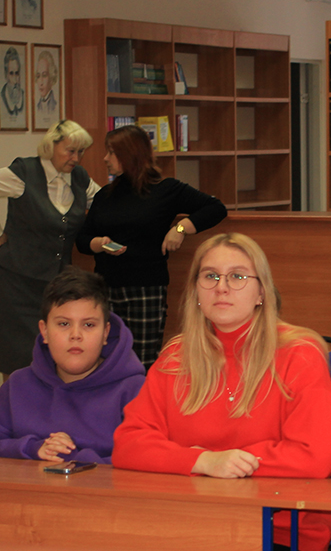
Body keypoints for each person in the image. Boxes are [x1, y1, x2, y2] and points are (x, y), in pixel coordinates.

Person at [113, 233, 331, 551]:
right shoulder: (175, 357)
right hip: (191, 525)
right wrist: (203, 461)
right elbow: (128, 444)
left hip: (279, 531)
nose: (221, 287)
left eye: (237, 276)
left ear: (261, 292)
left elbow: (314, 457)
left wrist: (229, 463)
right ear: (196, 291)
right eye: (210, 276)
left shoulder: (300, 354)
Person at [76, 125, 227, 369]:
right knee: (105, 360)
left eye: (111, 152)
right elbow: (83, 239)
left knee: (142, 360)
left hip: (145, 289)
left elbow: (215, 208)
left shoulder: (165, 190)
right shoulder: (105, 195)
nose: (105, 158)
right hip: (105, 287)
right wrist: (98, 244)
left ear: (130, 154)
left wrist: (181, 228)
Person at [0, 268, 145, 463]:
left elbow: (143, 458)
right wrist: (32, 448)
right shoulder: (16, 385)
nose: (76, 335)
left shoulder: (135, 391)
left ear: (105, 333)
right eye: (64, 324)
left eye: (88, 325)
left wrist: (75, 459)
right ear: (44, 331)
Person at [0, 120, 102, 375]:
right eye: (70, 151)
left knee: (52, 356)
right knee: (17, 357)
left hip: (55, 286)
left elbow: (105, 202)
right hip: (17, 282)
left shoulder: (79, 178)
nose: (76, 158)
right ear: (51, 146)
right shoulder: (23, 172)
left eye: (81, 152)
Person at [34, 50, 59, 130]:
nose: (41, 82)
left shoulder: (55, 105)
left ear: (51, 77)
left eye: (44, 75)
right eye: (38, 76)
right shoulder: (38, 106)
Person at [1, 46, 25, 129]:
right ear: (6, 75)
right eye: (11, 73)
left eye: (17, 73)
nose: (15, 80)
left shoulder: (23, 95)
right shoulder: (2, 97)